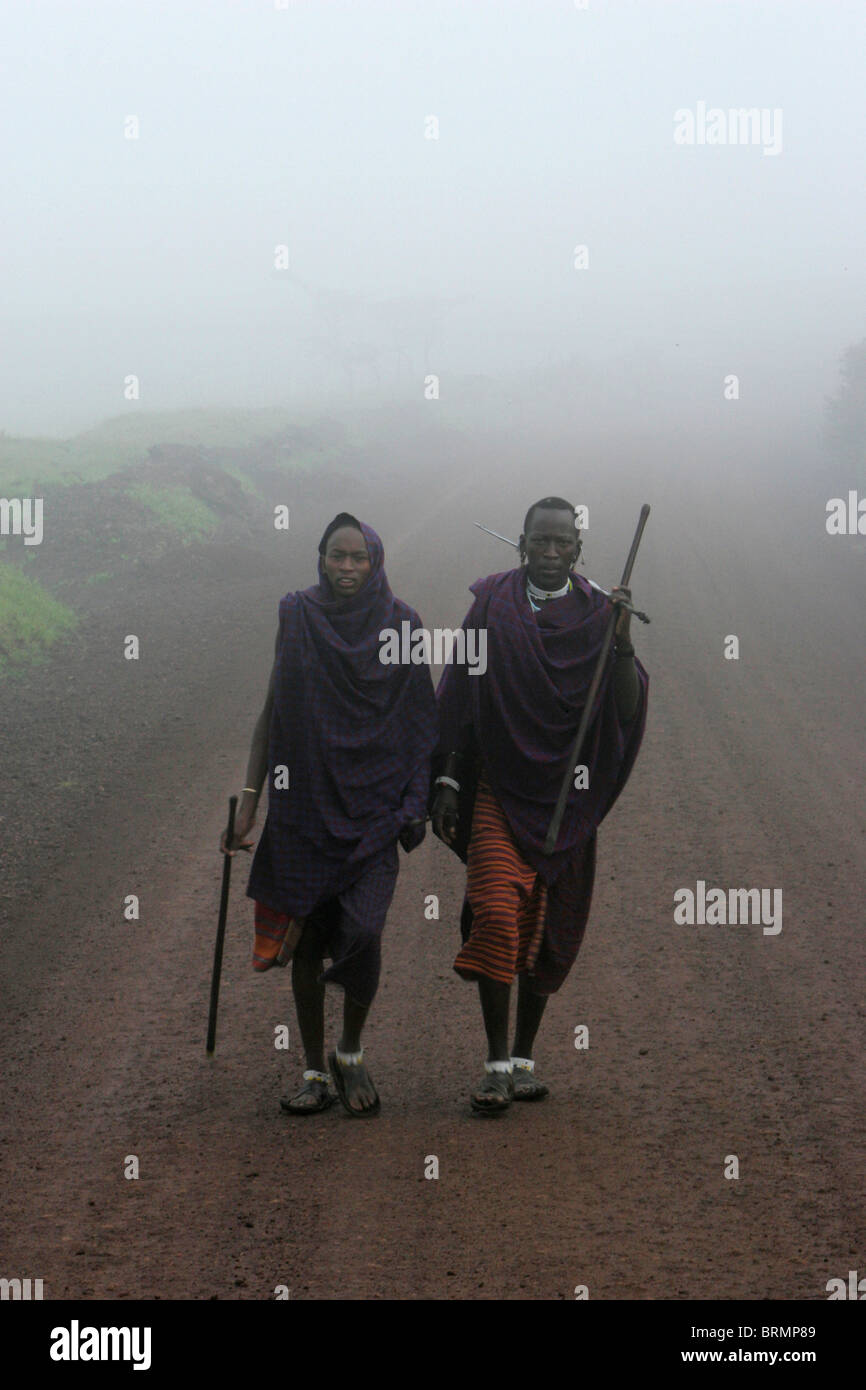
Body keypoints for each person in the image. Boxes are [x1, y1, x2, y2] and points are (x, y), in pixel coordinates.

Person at [431, 496, 648, 1114]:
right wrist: (447, 780)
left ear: (580, 550)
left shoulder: (598, 614)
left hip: (568, 798)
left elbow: (627, 711)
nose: (551, 554)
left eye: (563, 544)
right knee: (497, 909)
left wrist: (622, 642)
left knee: (548, 927)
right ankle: (495, 1064)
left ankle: (523, 1058)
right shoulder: (493, 604)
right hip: (500, 788)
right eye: (540, 542)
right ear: (520, 543)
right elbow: (460, 696)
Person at [222, 513, 437, 1117]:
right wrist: (250, 801)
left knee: (364, 932)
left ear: (375, 563)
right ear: (320, 558)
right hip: (304, 809)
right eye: (335, 556)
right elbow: (273, 711)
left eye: (357, 558)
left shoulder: (403, 625)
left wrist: (415, 802)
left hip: (374, 809)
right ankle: (314, 1068)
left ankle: (350, 1049)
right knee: (310, 939)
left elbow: (422, 722)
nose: (345, 567)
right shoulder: (297, 615)